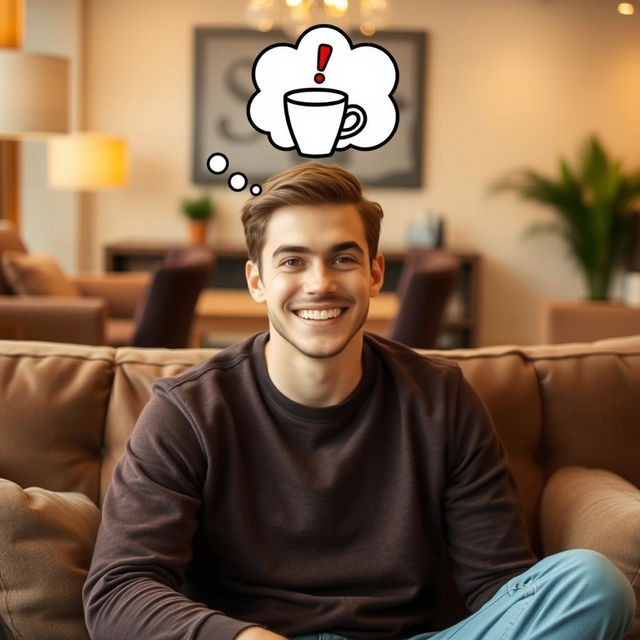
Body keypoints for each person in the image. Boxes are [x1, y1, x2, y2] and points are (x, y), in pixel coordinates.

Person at [83, 163, 636, 640]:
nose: (320, 283)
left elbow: (499, 588)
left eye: (342, 259)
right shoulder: (188, 410)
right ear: (257, 281)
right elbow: (118, 590)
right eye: (292, 261)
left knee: (593, 582)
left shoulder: (441, 398)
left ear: (374, 273)